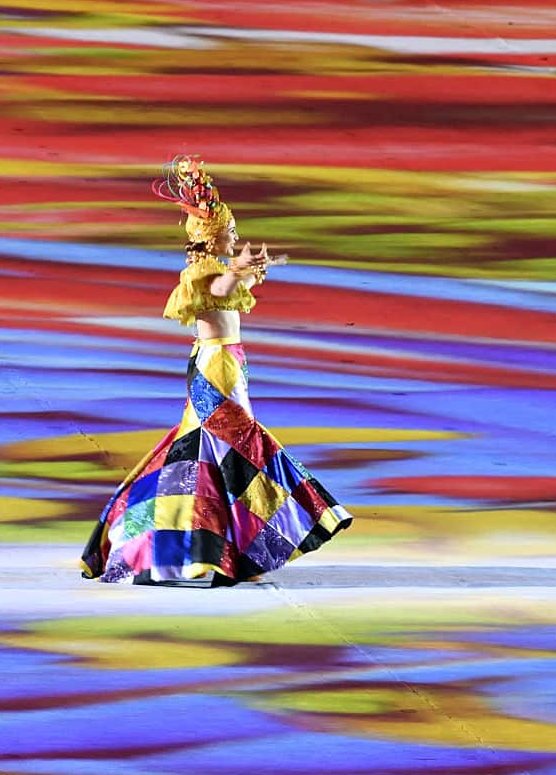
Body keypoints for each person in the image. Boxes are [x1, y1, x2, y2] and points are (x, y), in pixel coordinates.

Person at [80, 156, 352, 585]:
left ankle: (200, 546)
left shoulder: (214, 271)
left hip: (226, 364)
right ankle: (218, 544)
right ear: (213, 237)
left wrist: (249, 271)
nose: (236, 237)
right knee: (233, 449)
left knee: (209, 454)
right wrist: (239, 272)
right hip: (215, 368)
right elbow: (220, 289)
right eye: (231, 233)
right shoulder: (203, 273)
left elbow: (230, 289)